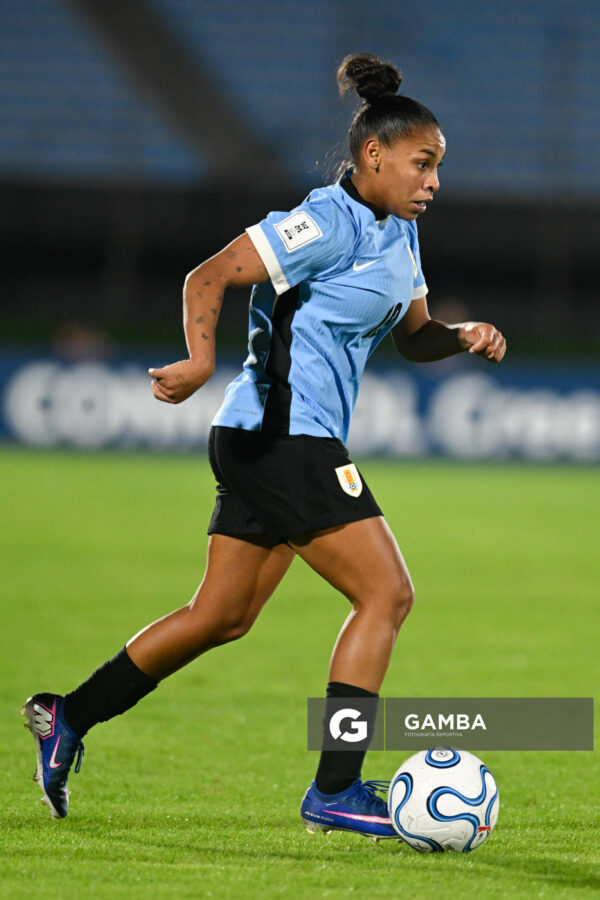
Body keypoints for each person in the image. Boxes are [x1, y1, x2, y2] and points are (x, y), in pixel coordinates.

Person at [22, 53, 506, 840]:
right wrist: (201, 359)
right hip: (284, 435)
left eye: (439, 168)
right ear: (373, 156)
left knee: (221, 615)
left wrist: (462, 336)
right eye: (423, 164)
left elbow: (415, 338)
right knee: (386, 596)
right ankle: (337, 789)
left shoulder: (401, 236)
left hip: (274, 438)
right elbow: (208, 277)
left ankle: (65, 715)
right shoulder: (324, 221)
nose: (433, 182)